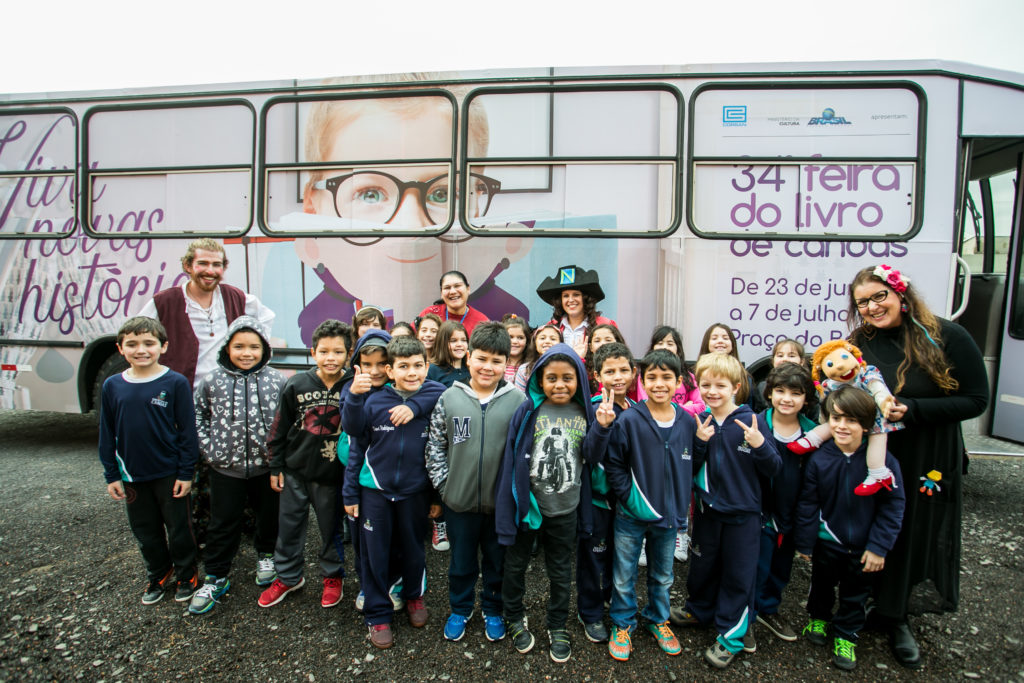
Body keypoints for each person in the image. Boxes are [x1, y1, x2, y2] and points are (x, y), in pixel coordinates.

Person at [293, 89, 531, 342]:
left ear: (475, 204)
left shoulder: (492, 316)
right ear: (313, 210)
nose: (410, 230)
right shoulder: (324, 320)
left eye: (442, 194)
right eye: (370, 194)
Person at [847, 264, 988, 668]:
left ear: (900, 293)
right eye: (863, 303)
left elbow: (977, 400)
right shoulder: (860, 342)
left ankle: (896, 615)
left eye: (879, 297)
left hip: (928, 452)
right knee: (876, 523)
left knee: (915, 526)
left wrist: (914, 409)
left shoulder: (947, 336)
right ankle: (867, 600)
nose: (872, 308)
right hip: (878, 452)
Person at [671, 352, 781, 669]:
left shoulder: (751, 421)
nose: (712, 391)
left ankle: (731, 635)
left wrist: (760, 444)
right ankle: (699, 609)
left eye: (720, 385)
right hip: (707, 512)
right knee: (702, 566)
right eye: (706, 385)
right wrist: (701, 442)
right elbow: (689, 468)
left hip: (743, 517)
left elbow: (775, 468)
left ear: (736, 387)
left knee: (738, 576)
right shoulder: (700, 421)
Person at [496, 343, 598, 663]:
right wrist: (511, 504)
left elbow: (593, 458)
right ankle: (514, 616)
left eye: (567, 378)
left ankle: (557, 625)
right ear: (539, 380)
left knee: (559, 569)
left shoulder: (585, 414)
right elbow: (511, 459)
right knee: (515, 566)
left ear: (579, 380)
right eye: (551, 378)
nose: (559, 384)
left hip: (565, 509)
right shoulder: (528, 411)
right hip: (529, 508)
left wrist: (604, 429)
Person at [426, 322, 527, 643]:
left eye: (497, 361)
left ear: (505, 363)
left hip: (501, 507)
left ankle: (493, 609)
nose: (488, 367)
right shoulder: (449, 399)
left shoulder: (518, 401)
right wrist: (446, 487)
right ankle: (461, 607)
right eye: (482, 358)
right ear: (468, 357)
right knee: (461, 562)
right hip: (459, 503)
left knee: (497, 562)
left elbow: (524, 452)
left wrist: (514, 495)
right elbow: (435, 448)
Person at [343, 335, 445, 649]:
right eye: (403, 366)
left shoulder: (434, 396)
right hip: (375, 491)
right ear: (389, 371)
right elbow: (354, 440)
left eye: (418, 365)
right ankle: (377, 614)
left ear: (427, 366)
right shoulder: (373, 401)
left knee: (414, 549)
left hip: (415, 492)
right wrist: (350, 493)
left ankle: (414, 596)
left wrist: (413, 406)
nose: (412, 372)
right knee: (376, 554)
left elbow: (440, 391)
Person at [794, 385, 906, 671]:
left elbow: (893, 506)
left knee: (855, 594)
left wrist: (879, 546)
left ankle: (846, 635)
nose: (842, 426)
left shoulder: (881, 463)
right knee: (820, 586)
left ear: (867, 425)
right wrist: (805, 542)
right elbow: (808, 503)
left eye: (852, 420)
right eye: (836, 418)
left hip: (863, 546)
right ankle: (818, 618)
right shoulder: (819, 459)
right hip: (827, 542)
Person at [604, 350, 700, 662]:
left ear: (679, 381)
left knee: (663, 575)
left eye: (667, 378)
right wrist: (627, 498)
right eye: (652, 378)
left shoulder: (686, 421)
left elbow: (691, 464)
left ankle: (657, 618)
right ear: (642, 382)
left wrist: (701, 444)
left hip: (669, 515)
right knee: (624, 573)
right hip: (631, 515)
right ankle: (623, 622)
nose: (659, 384)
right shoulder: (629, 420)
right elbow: (615, 464)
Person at [98, 316, 200, 605]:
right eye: (132, 344)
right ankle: (158, 572)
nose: (140, 349)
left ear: (163, 346)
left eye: (148, 343)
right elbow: (107, 433)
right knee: (145, 530)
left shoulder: (175, 382)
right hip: (131, 475)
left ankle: (186, 573)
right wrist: (111, 474)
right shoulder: (112, 386)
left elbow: (187, 432)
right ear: (120, 348)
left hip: (169, 472)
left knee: (179, 527)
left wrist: (185, 472)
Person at [188, 317, 287, 615]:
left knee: (268, 515)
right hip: (225, 468)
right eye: (239, 346)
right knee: (223, 521)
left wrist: (279, 461)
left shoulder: (277, 381)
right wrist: (210, 450)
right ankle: (216, 575)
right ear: (227, 348)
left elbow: (286, 423)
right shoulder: (212, 381)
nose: (247, 353)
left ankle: (266, 555)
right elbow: (199, 417)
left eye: (254, 347)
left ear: (264, 349)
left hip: (265, 467)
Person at [258, 320, 350, 610]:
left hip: (332, 475)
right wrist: (276, 466)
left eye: (338, 352)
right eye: (324, 351)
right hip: (294, 473)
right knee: (289, 528)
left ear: (348, 354)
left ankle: (333, 576)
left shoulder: (353, 385)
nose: (331, 358)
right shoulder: (296, 384)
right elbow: (279, 428)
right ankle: (288, 576)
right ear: (313, 352)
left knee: (331, 530)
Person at [138, 238, 275, 387]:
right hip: (182, 393)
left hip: (227, 392)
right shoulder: (165, 301)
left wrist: (253, 349)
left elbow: (266, 317)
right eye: (203, 263)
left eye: (217, 265)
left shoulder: (235, 296)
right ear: (188, 265)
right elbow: (137, 333)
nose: (210, 271)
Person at [575, 342, 637, 644]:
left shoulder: (638, 411)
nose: (617, 377)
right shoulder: (593, 406)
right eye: (609, 371)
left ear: (634, 372)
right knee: (593, 557)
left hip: (627, 503)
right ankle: (589, 611)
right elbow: (587, 452)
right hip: (599, 499)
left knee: (621, 556)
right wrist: (601, 426)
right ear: (597, 374)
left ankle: (613, 599)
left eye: (623, 370)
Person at [753, 363, 818, 642]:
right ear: (769, 393)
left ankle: (769, 608)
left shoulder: (814, 434)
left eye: (795, 392)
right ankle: (746, 613)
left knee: (781, 567)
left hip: (792, 511)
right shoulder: (756, 423)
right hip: (759, 512)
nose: (786, 398)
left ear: (806, 399)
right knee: (756, 565)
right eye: (779, 390)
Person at [787, 340, 901, 496]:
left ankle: (878, 474)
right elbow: (825, 407)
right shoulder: (830, 385)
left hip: (874, 417)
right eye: (831, 364)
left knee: (877, 440)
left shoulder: (866, 373)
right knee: (831, 424)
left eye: (843, 358)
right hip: (840, 414)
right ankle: (811, 439)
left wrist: (884, 402)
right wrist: (825, 421)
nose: (840, 366)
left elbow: (877, 388)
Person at [536, 265, 617, 358]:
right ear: (560, 301)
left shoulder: (605, 324)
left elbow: (618, 357)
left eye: (576, 294)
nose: (570, 300)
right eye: (566, 296)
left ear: (586, 298)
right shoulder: (551, 327)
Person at [698, 322, 764, 412]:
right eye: (714, 338)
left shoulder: (745, 378)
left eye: (725, 338)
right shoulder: (694, 375)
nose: (720, 341)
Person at [754, 338, 818, 420]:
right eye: (780, 355)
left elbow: (814, 416)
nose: (785, 359)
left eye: (791, 356)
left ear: (802, 362)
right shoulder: (762, 386)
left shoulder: (809, 385)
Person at [419, 271, 490, 336]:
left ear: (468, 289)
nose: (452, 291)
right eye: (447, 288)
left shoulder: (482, 322)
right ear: (441, 293)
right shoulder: (430, 313)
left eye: (457, 286)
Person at [513, 324, 562, 392]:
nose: (547, 341)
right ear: (535, 342)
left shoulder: (566, 367)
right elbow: (520, 398)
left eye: (553, 339)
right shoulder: (524, 370)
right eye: (542, 338)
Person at [583, 323, 626, 395]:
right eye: (597, 341)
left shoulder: (627, 367)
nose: (602, 344)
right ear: (590, 347)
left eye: (608, 340)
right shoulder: (584, 369)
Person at [427, 320, 470, 390]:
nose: (460, 344)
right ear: (442, 343)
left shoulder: (471, 369)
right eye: (453, 341)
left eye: (463, 340)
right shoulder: (433, 370)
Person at [501, 315, 530, 384]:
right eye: (510, 337)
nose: (515, 341)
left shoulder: (530, 366)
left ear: (527, 341)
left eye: (520, 338)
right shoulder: (497, 363)